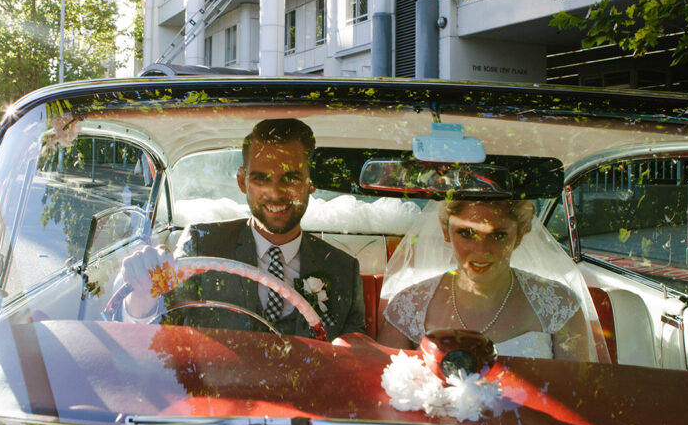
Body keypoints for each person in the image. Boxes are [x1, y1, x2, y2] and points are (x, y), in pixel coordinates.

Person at [116, 118, 366, 340]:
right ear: (241, 182)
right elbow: (156, 331)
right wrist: (141, 293)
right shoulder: (202, 244)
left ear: (311, 183)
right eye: (261, 178)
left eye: (290, 178)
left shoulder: (343, 269)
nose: (275, 193)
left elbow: (354, 359)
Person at [378, 198, 605, 361]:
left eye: (498, 235)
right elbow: (388, 399)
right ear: (446, 231)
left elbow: (576, 393)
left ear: (520, 234)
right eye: (466, 233)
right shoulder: (407, 307)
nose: (481, 250)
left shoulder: (558, 304)